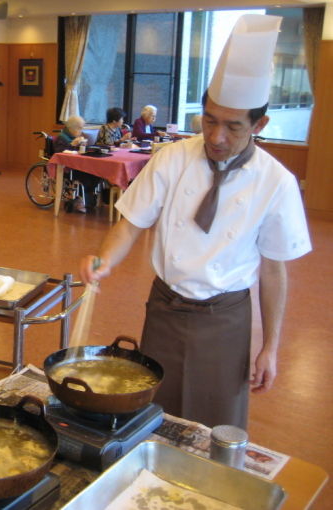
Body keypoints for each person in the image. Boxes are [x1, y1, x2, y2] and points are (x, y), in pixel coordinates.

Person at [80, 14, 311, 429]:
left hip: (225, 319)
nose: (217, 136)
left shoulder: (277, 182)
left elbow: (274, 271)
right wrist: (105, 261)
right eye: (209, 120)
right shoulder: (172, 159)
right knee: (155, 417)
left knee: (216, 421)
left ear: (260, 125)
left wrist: (270, 347)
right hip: (165, 309)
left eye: (233, 126)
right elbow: (131, 222)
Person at [54, 115, 103, 213]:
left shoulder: (75, 137)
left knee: (97, 174)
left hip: (78, 166)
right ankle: (80, 200)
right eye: (79, 128)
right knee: (87, 177)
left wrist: (82, 145)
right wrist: (72, 145)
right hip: (67, 169)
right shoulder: (62, 137)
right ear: (71, 127)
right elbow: (59, 154)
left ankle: (84, 199)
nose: (81, 130)